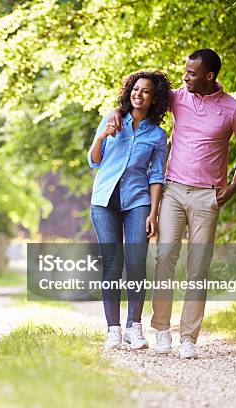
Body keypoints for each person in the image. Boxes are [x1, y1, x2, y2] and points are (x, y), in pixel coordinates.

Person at [109, 49, 236, 358]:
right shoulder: (177, 97)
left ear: (209, 76)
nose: (185, 76)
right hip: (173, 190)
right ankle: (162, 330)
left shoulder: (233, 110)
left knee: (198, 268)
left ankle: (188, 338)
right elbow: (141, 96)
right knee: (164, 260)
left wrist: (231, 188)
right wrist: (115, 113)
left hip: (207, 196)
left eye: (191, 73)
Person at [87, 71, 170, 351]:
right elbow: (94, 161)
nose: (139, 94)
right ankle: (113, 330)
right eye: (136, 89)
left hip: (138, 201)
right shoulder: (113, 119)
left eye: (146, 91)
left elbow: (157, 175)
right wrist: (102, 137)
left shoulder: (158, 136)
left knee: (136, 263)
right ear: (129, 92)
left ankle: (135, 328)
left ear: (154, 98)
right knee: (112, 264)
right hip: (104, 200)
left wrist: (154, 212)